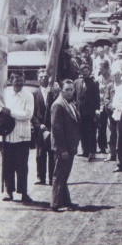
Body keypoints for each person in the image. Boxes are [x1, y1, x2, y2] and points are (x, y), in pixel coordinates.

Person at [0, 72, 34, 202]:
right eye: (16, 80)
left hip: (22, 136)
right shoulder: (5, 93)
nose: (19, 83)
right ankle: (9, 192)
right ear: (11, 80)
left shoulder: (28, 95)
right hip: (7, 136)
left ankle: (24, 192)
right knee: (7, 166)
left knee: (22, 166)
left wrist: (11, 113)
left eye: (21, 80)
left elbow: (28, 114)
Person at [50, 79, 81, 212]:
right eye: (67, 89)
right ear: (61, 90)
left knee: (64, 174)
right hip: (63, 147)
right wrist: (62, 149)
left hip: (70, 145)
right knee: (59, 174)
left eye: (71, 89)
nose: (69, 92)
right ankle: (55, 203)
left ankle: (66, 201)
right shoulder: (58, 105)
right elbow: (56, 129)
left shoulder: (70, 103)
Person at [32, 69, 58, 186]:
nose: (44, 79)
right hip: (40, 130)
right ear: (38, 79)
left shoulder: (54, 93)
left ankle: (52, 177)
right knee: (40, 154)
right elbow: (32, 113)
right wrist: (38, 125)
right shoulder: (34, 94)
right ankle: (40, 177)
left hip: (52, 128)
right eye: (41, 77)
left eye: (46, 77)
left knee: (52, 154)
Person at [73, 64, 100, 161]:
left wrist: (97, 110)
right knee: (82, 132)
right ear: (80, 72)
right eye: (83, 71)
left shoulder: (94, 83)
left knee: (92, 132)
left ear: (89, 72)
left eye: (87, 71)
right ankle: (85, 151)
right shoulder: (77, 82)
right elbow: (74, 96)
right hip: (80, 111)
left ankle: (92, 152)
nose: (85, 73)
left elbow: (97, 98)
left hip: (90, 111)